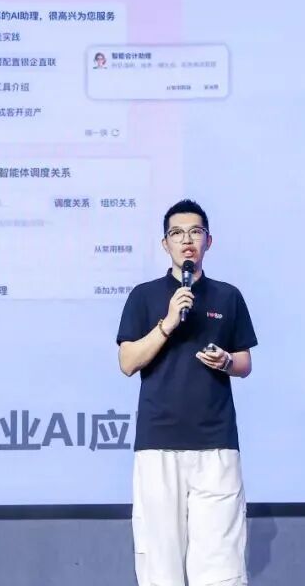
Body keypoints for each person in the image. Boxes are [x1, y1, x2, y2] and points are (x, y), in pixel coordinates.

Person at [116, 199, 257, 586]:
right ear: (165, 244)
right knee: (160, 563)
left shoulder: (228, 296)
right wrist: (167, 323)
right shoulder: (144, 296)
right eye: (177, 233)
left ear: (208, 241)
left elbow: (245, 362)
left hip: (216, 444)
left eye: (195, 232)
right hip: (159, 444)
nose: (187, 240)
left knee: (221, 564)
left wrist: (227, 361)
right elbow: (127, 362)